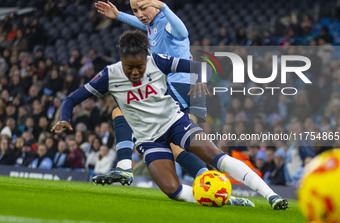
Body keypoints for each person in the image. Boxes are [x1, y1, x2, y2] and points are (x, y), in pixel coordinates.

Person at [52, 30, 288, 210]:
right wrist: (64, 118)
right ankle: (228, 200)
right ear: (121, 61)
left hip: (175, 123)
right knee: (172, 190)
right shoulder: (109, 75)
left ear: (146, 58)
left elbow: (200, 66)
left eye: (139, 67)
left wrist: (199, 80)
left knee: (217, 157)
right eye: (129, 68)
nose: (134, 72)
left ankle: (272, 196)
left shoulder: (158, 61)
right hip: (149, 139)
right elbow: (71, 99)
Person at [94, 0, 208, 186]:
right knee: (178, 147)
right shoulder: (152, 25)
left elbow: (183, 33)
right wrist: (119, 15)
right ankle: (209, 180)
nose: (139, 14)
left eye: (143, 8)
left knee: (122, 110)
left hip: (179, 86)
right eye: (135, 9)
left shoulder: (165, 21)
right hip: (185, 89)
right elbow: (140, 23)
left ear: (155, 6)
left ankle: (124, 167)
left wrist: (163, 6)